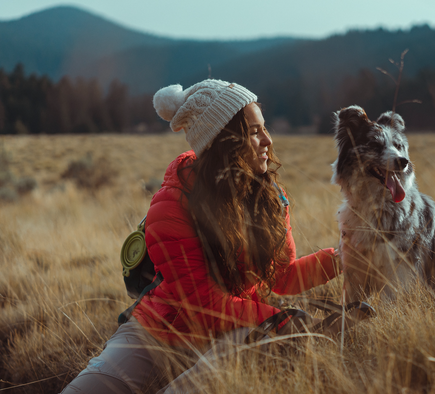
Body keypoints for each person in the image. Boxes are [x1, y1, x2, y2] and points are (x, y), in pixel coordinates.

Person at [60, 80, 341, 394]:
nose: (267, 140)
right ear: (223, 141)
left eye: (264, 128)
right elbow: (203, 304)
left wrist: (339, 260)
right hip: (157, 332)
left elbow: (283, 277)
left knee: (246, 339)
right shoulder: (171, 205)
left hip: (229, 334)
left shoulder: (271, 200)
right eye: (254, 132)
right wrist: (278, 319)